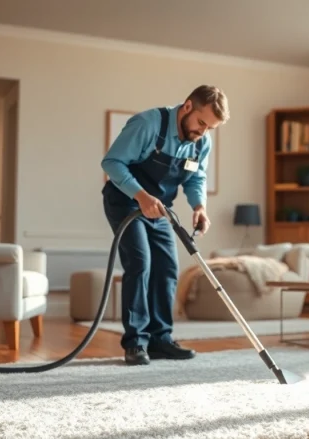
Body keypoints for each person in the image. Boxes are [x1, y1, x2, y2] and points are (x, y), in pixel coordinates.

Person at [101, 85, 229, 365]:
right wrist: (140, 195)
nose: (203, 132)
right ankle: (136, 342)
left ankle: (160, 340)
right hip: (125, 201)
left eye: (210, 128)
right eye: (201, 123)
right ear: (187, 107)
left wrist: (199, 207)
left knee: (167, 267)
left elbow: (196, 177)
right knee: (140, 263)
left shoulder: (201, 142)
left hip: (159, 209)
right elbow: (112, 163)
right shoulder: (148, 124)